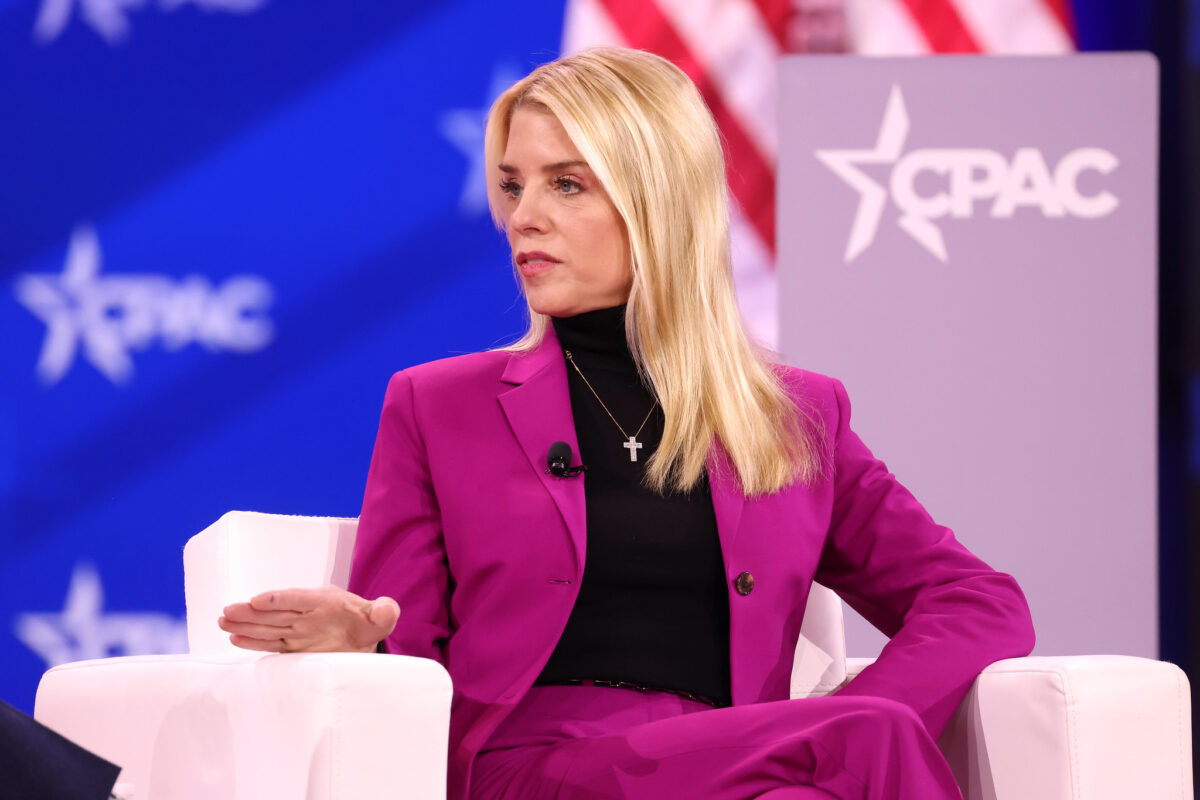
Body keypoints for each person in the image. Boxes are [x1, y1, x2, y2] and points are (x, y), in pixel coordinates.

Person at [218, 47, 1035, 800]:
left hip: (744, 766)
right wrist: (364, 640)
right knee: (861, 744)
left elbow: (977, 600)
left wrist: (856, 716)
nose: (522, 217)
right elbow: (409, 652)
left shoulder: (793, 418)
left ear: (659, 199)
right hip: (529, 769)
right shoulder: (437, 405)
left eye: (566, 185)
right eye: (513, 185)